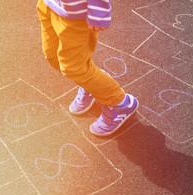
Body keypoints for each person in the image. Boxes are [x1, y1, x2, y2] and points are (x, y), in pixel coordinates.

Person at [36, 0, 139, 136]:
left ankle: (120, 103)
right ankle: (91, 83)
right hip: (48, 5)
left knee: (74, 68)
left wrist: (98, 10)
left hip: (75, 16)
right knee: (52, 56)